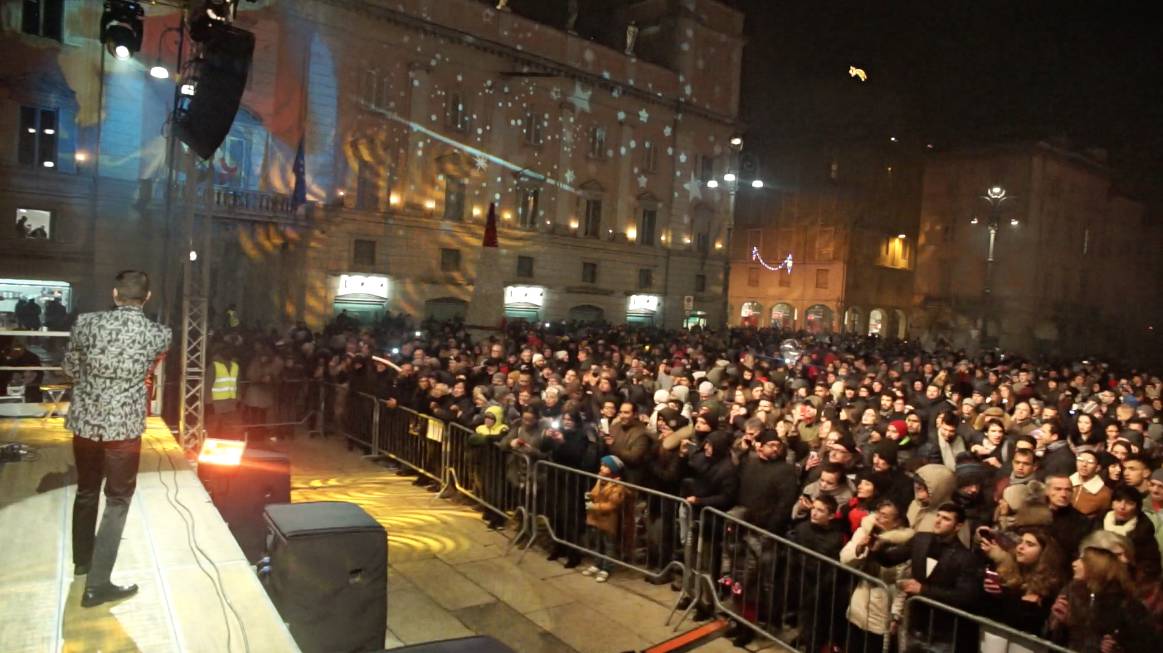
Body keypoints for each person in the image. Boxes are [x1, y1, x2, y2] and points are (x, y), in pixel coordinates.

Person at [64, 270, 171, 608]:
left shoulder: (86, 324)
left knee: (86, 489)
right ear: (147, 298)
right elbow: (149, 372)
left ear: (115, 295)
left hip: (86, 424)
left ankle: (83, 562)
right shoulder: (159, 334)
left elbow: (70, 368)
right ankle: (97, 585)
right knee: (118, 500)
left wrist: (93, 383)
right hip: (123, 429)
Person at [1046, 542, 1153, 652]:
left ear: (1098, 566)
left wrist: (1118, 649)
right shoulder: (1074, 594)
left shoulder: (1126, 605)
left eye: (1083, 560)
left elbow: (1146, 645)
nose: (1074, 563)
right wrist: (1060, 623)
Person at [977, 526, 1066, 650]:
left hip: (1026, 644)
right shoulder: (1009, 572)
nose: (1020, 547)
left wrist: (1003, 596)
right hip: (998, 639)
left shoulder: (1050, 583)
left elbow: (1030, 621)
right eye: (1020, 542)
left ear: (1044, 552)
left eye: (1029, 544)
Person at [582, 455, 628, 583]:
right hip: (597, 518)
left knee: (609, 545)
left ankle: (607, 568)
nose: (602, 468)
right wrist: (590, 495)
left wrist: (595, 506)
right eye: (602, 465)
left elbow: (612, 504)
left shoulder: (618, 486)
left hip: (608, 520)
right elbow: (596, 492)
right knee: (598, 542)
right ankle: (597, 564)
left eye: (606, 466)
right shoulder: (600, 479)